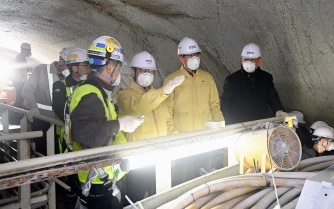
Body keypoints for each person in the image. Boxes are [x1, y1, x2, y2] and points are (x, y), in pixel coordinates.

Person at [69, 36, 144, 209]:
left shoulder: (96, 92)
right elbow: (84, 133)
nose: (118, 72)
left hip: (101, 175)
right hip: (97, 179)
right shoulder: (91, 94)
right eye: (118, 67)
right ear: (110, 67)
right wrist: (121, 124)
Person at [117, 51, 185, 203]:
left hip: (160, 158)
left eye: (150, 71)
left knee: (161, 198)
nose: (147, 74)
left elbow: (168, 123)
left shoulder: (160, 95)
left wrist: (178, 139)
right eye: (143, 71)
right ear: (133, 72)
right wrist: (165, 91)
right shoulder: (125, 95)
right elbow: (138, 106)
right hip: (137, 161)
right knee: (135, 200)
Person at [163, 37, 225, 186]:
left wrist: (221, 129)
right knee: (181, 182)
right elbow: (166, 113)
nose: (194, 58)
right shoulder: (172, 80)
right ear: (181, 58)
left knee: (204, 180)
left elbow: (215, 105)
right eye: (190, 56)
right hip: (182, 142)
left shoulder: (208, 78)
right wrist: (174, 137)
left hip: (205, 140)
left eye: (196, 55)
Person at [21, 47, 71, 155]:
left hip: (59, 123)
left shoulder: (68, 77)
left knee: (57, 151)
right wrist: (33, 107)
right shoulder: (41, 69)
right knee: (42, 151)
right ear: (61, 61)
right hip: (40, 119)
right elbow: (27, 90)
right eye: (70, 65)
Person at [220, 43, 285, 125]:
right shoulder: (232, 80)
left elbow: (273, 97)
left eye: (252, 60)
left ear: (259, 61)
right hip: (240, 125)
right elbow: (225, 105)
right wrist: (229, 123)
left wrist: (278, 111)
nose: (249, 62)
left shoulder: (266, 78)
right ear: (241, 60)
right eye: (246, 59)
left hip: (262, 123)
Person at [52, 48, 90, 154]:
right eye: (85, 65)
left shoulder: (88, 85)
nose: (88, 68)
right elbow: (60, 110)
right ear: (74, 68)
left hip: (85, 134)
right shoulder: (60, 85)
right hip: (67, 139)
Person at [12, 42, 31, 108]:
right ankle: (17, 111)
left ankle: (17, 110)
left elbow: (24, 69)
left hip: (19, 81)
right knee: (20, 97)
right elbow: (19, 70)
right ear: (25, 50)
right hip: (19, 81)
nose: (29, 52)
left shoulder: (22, 57)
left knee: (20, 97)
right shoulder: (20, 58)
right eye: (29, 50)